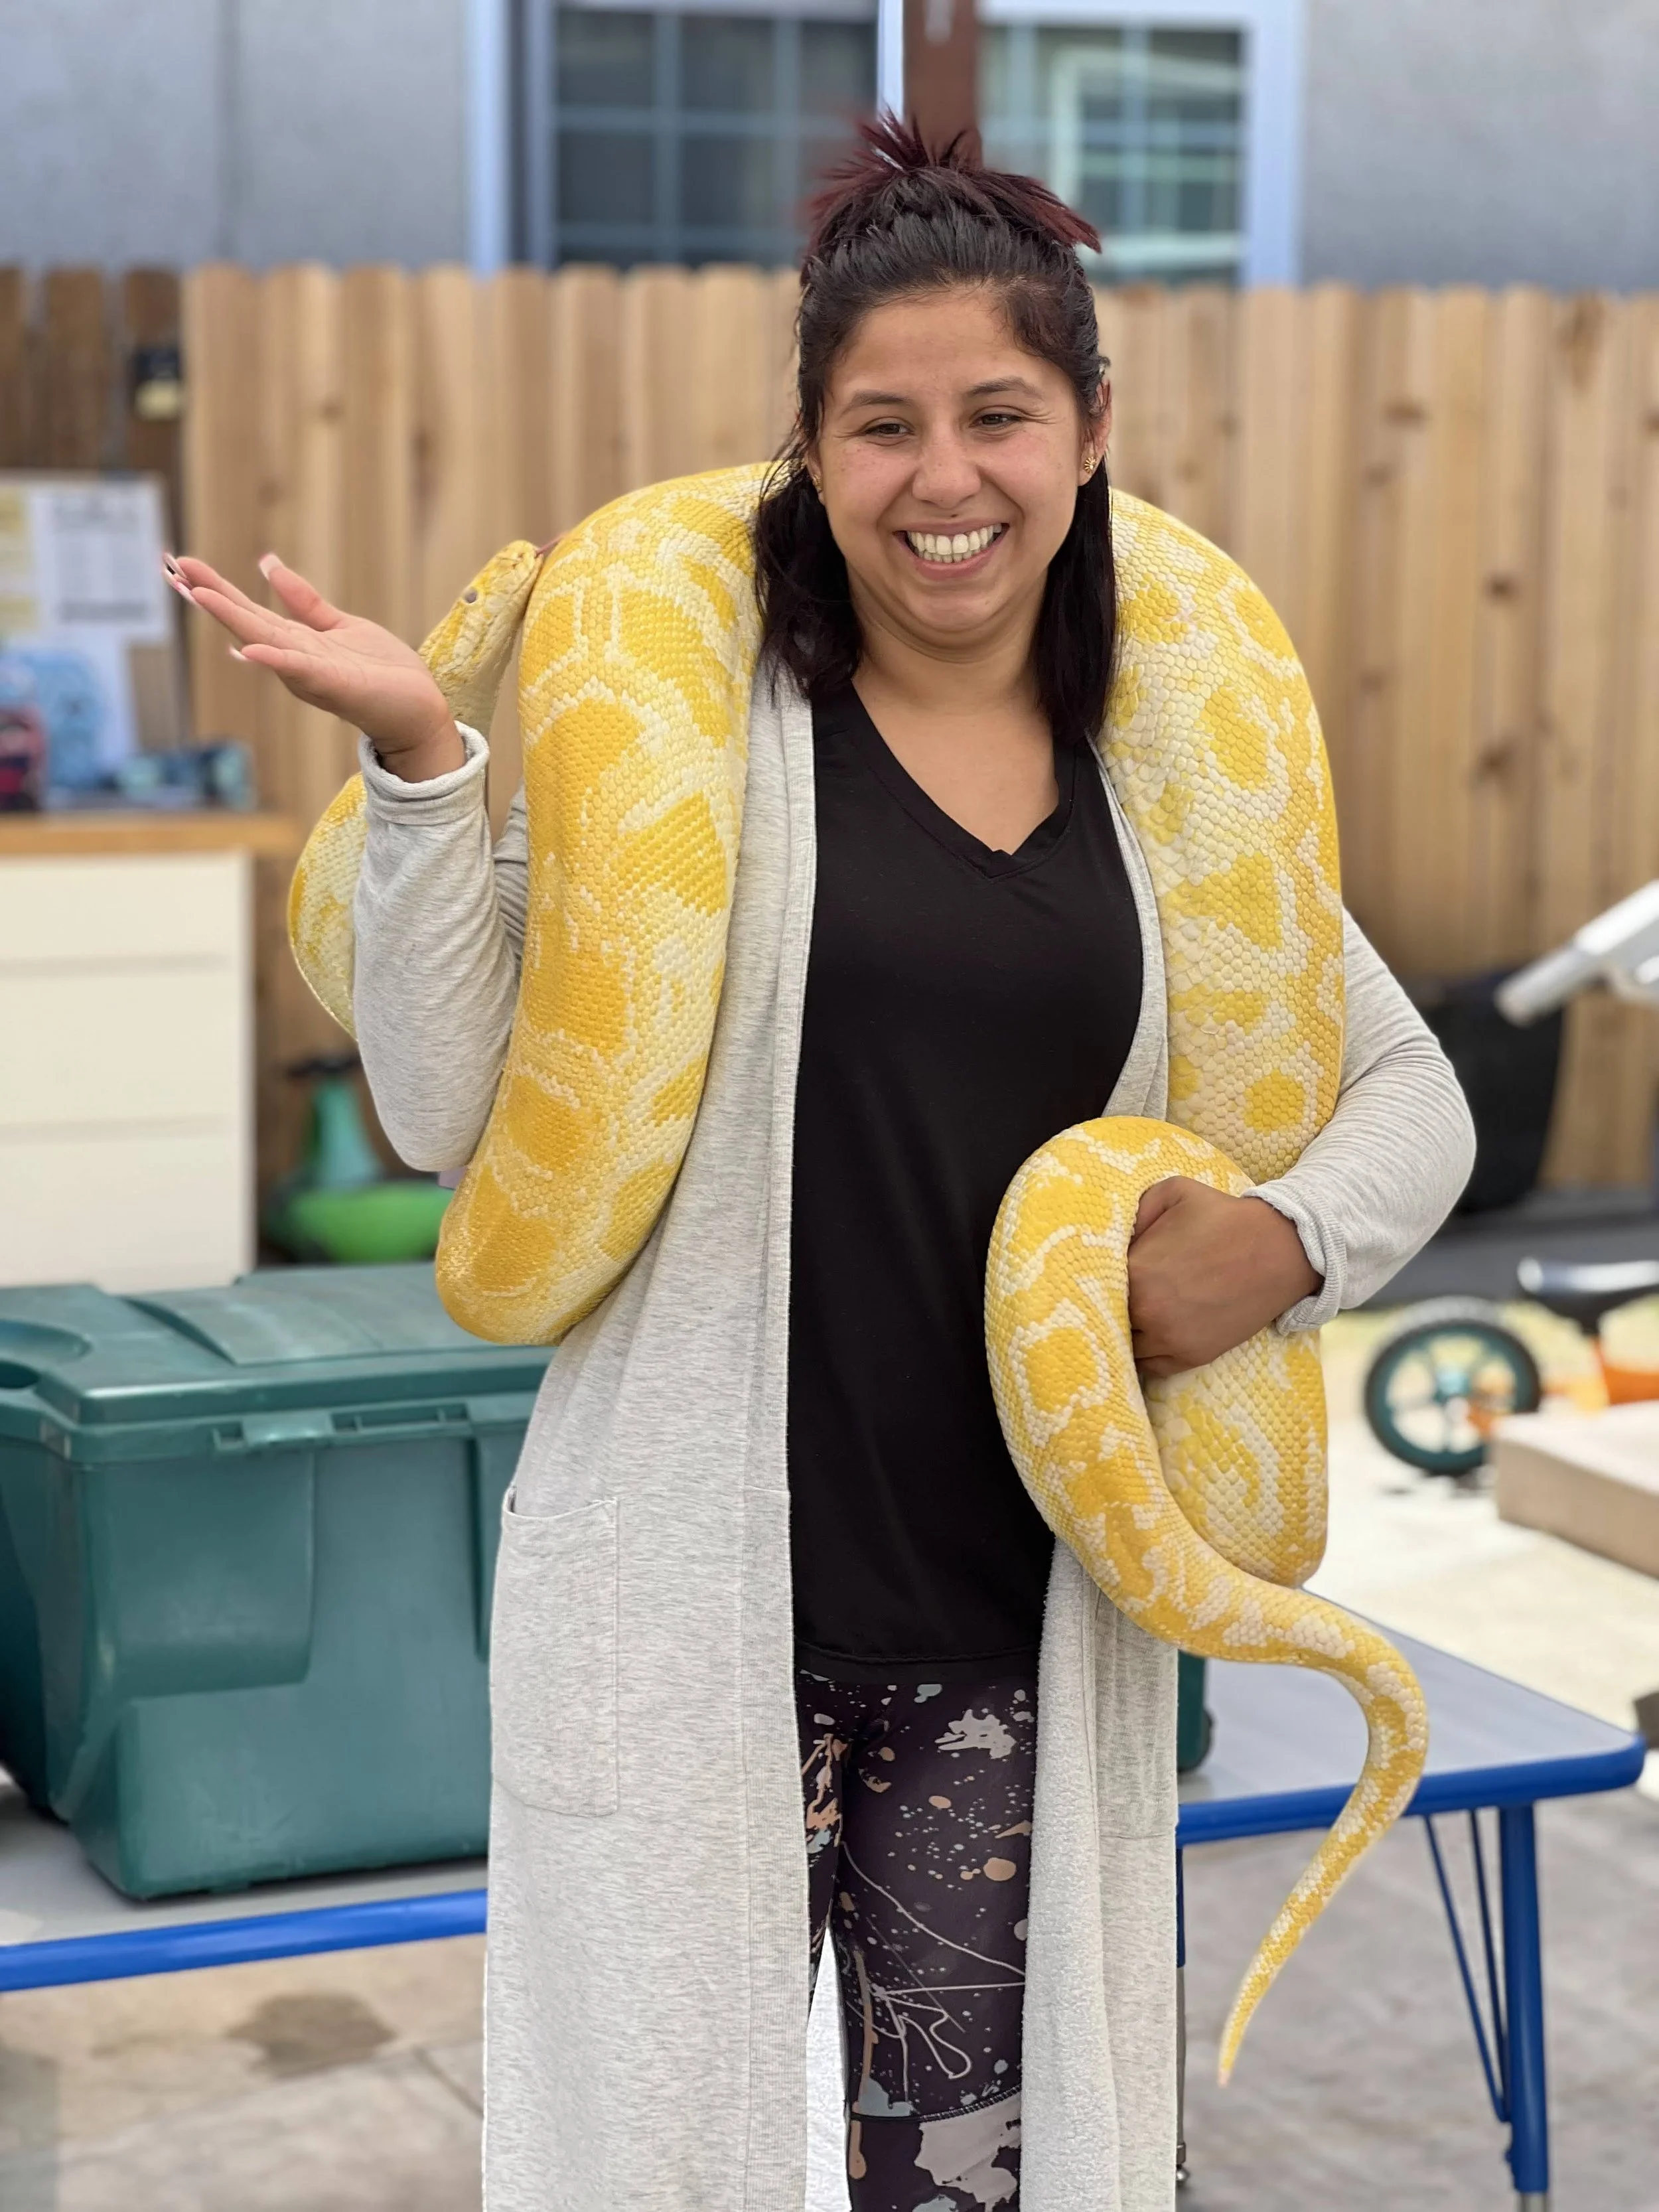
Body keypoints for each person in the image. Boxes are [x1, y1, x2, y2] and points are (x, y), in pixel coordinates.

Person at [169, 121, 1473, 2212]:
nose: (942, 477)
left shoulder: (1164, 793)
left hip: (1017, 1633)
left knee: (969, 2174)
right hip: (692, 1608)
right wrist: (424, 765)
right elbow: (442, 1112)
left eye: (996, 415)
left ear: (1089, 431)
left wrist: (1287, 1238)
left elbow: (1412, 1093)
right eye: (882, 425)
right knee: (651, 2160)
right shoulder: (685, 748)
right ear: (808, 448)